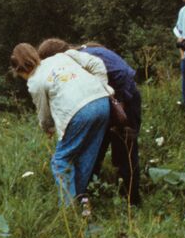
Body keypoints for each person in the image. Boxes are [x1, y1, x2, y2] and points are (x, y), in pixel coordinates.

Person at [11, 42, 112, 217]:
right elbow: (97, 63)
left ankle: (67, 212)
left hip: (79, 112)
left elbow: (43, 112)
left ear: (19, 69)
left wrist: (47, 128)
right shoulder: (61, 56)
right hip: (103, 103)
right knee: (86, 156)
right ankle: (81, 201)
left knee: (61, 161)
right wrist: (103, 87)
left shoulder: (35, 81)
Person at [38, 38, 142, 206]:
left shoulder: (81, 59)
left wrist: (120, 101)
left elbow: (123, 72)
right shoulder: (77, 58)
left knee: (125, 151)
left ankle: (132, 202)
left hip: (125, 100)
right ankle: (86, 195)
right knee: (95, 149)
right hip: (104, 103)